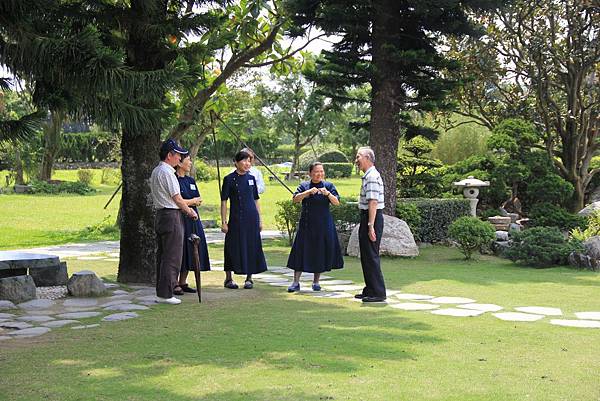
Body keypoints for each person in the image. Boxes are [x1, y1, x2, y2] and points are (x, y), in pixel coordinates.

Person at [149, 138, 198, 305]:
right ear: (169, 155)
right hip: (171, 215)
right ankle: (166, 294)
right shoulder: (168, 172)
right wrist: (190, 211)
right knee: (172, 256)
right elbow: (177, 198)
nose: (180, 158)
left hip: (161, 215)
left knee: (163, 256)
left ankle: (161, 292)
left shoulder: (156, 170)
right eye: (178, 155)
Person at [286, 162, 344, 292]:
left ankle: (316, 282)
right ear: (310, 173)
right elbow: (295, 199)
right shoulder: (304, 185)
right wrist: (307, 193)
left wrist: (327, 194)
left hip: (323, 225)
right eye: (317, 171)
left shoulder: (328, 186)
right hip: (306, 225)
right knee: (301, 252)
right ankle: (296, 282)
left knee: (319, 252)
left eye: (321, 171)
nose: (319, 174)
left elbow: (337, 202)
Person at [220, 150, 267, 289]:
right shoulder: (229, 179)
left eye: (249, 161)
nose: (247, 164)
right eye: (244, 161)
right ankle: (228, 279)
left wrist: (260, 219)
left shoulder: (251, 178)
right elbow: (224, 202)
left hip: (251, 217)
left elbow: (256, 200)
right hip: (235, 218)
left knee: (251, 245)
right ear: (236, 162)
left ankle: (249, 278)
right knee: (231, 245)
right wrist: (223, 222)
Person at [174, 153, 211, 295]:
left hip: (193, 218)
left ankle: (183, 282)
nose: (190, 163)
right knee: (181, 249)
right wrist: (191, 202)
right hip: (181, 218)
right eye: (188, 160)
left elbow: (198, 199)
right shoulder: (174, 179)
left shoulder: (190, 180)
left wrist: (193, 202)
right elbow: (176, 200)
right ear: (180, 162)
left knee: (192, 249)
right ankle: (175, 282)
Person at [354, 147, 387, 302]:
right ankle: (370, 289)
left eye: (358, 156)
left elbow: (373, 202)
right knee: (366, 256)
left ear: (367, 158)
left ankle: (378, 293)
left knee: (371, 256)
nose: (356, 160)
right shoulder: (368, 176)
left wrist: (370, 225)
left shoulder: (372, 176)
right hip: (368, 217)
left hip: (371, 217)